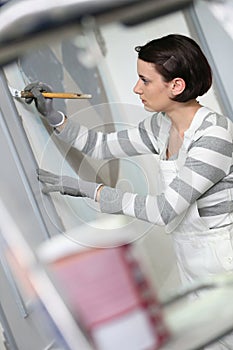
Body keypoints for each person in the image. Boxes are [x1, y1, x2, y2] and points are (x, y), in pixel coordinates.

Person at [24, 34, 233, 349]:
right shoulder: (160, 127)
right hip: (191, 261)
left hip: (224, 262)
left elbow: (165, 210)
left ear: (176, 86)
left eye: (145, 81)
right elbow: (101, 146)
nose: (137, 89)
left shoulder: (214, 135)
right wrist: (54, 117)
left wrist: (92, 192)